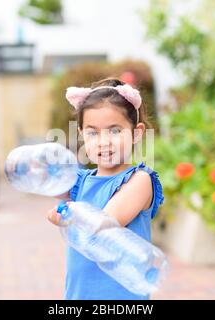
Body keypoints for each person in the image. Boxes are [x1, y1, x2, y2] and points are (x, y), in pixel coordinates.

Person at [47, 77, 164, 300]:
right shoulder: (79, 180)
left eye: (114, 131)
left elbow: (103, 224)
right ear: (81, 134)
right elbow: (51, 183)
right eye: (93, 132)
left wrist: (66, 215)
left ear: (136, 133)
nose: (103, 142)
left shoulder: (139, 180)